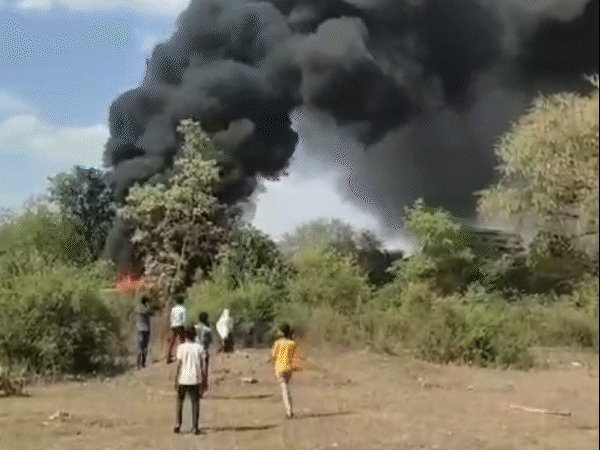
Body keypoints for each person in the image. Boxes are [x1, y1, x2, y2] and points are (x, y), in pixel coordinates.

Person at [174, 326, 207, 435]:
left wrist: (176, 378)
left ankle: (178, 424)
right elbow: (202, 365)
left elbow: (179, 365)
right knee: (195, 402)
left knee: (180, 400)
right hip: (195, 378)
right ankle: (195, 427)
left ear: (185, 335)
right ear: (195, 335)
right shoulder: (199, 348)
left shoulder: (181, 348)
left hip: (183, 378)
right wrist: (204, 379)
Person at [270, 323, 298, 419]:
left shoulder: (277, 343)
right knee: (286, 388)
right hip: (289, 368)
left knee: (284, 389)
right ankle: (289, 409)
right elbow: (293, 356)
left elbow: (273, 355)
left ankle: (288, 411)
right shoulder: (293, 344)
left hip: (279, 368)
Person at [135, 296, 155, 369]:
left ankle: (141, 363)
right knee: (142, 347)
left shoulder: (139, 307)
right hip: (143, 329)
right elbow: (149, 312)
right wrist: (150, 306)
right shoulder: (141, 308)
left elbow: (152, 313)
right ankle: (140, 363)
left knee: (143, 347)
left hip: (143, 329)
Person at [194, 312, 212, 390]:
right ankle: (204, 384)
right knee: (205, 368)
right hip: (204, 350)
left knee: (197, 368)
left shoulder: (195, 327)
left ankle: (197, 384)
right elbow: (210, 341)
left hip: (195, 350)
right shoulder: (208, 329)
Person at [166, 295, 187, 364]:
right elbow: (184, 319)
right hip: (180, 325)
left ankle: (168, 357)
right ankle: (182, 356)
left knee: (172, 341)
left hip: (174, 326)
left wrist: (172, 325)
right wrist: (184, 327)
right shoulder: (183, 309)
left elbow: (171, 318)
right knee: (182, 341)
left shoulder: (173, 309)